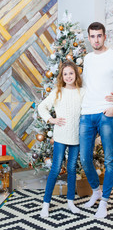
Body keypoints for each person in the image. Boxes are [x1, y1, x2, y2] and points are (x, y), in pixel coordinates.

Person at [80, 22, 113, 219]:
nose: (96, 40)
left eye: (99, 36)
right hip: (86, 113)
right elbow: (87, 85)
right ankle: (96, 191)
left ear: (105, 37)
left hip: (105, 113)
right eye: (92, 36)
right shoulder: (87, 58)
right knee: (85, 157)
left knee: (110, 159)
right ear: (89, 38)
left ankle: (104, 202)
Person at [38, 61, 85, 217]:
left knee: (72, 169)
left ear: (76, 75)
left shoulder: (82, 92)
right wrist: (51, 119)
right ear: (62, 76)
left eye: (71, 73)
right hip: (60, 136)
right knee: (56, 169)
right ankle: (46, 203)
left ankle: (70, 202)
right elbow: (41, 107)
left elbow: (91, 107)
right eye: (65, 74)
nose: (68, 76)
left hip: (76, 137)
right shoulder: (58, 91)